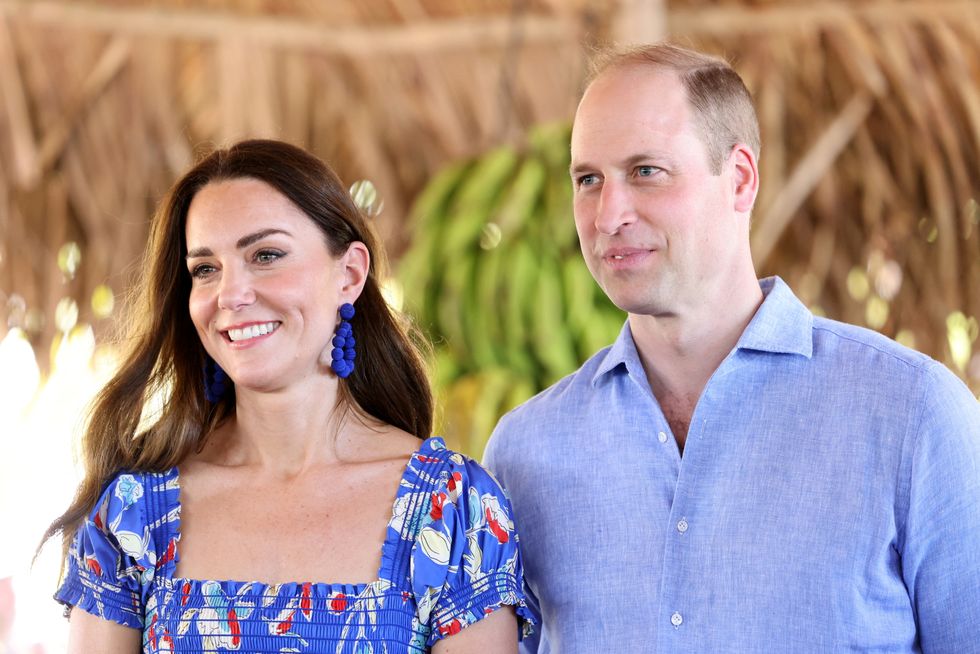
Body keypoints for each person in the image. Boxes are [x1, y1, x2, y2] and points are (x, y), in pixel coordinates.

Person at [483, 43, 980, 653]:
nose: (608, 214)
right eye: (589, 180)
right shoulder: (523, 451)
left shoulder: (915, 414)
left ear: (739, 178)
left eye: (646, 171)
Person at [44, 139, 534, 652]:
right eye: (205, 269)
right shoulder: (134, 514)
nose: (231, 295)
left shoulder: (453, 508)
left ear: (350, 275)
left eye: (266, 255)